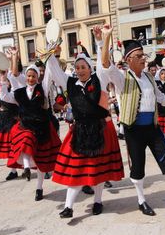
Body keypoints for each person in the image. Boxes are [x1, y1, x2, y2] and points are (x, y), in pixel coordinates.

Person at [99, 25, 165, 216]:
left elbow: (161, 97)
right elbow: (106, 63)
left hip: (152, 126)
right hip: (133, 130)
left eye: (143, 55)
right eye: (139, 56)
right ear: (128, 60)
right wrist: (106, 38)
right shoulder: (122, 78)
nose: (143, 59)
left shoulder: (149, 77)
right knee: (138, 167)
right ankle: (141, 200)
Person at [50, 26, 124, 218]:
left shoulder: (98, 79)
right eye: (78, 67)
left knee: (98, 169)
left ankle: (98, 201)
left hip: (100, 129)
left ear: (90, 69)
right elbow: (55, 71)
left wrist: (100, 42)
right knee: (76, 170)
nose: (80, 70)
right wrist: (50, 52)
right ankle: (68, 207)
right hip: (79, 131)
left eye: (84, 67)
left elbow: (103, 63)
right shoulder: (69, 83)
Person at [2, 47, 62, 201]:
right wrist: (12, 61)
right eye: (28, 76)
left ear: (37, 77)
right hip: (27, 127)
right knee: (25, 140)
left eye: (34, 76)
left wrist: (51, 56)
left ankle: (39, 188)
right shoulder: (20, 91)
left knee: (42, 161)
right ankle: (27, 167)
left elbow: (48, 73)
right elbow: (12, 78)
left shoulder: (43, 87)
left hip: (42, 128)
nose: (30, 78)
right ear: (26, 76)